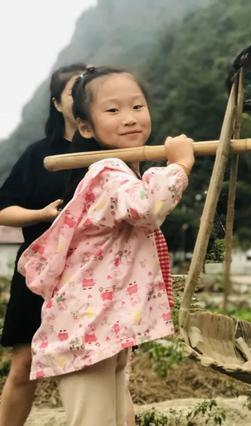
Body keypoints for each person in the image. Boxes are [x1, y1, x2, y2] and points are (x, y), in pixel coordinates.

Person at [18, 66, 194, 425]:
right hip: (87, 330)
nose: (129, 119)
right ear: (85, 127)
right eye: (112, 111)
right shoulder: (106, 171)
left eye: (137, 107)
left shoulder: (121, 171)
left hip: (103, 328)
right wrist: (181, 164)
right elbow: (148, 206)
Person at [0, 64, 87, 426]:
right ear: (56, 103)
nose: (82, 95)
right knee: (24, 365)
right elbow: (4, 209)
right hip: (38, 273)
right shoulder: (38, 155)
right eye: (74, 90)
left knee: (101, 369)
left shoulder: (110, 152)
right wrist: (40, 214)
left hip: (90, 275)